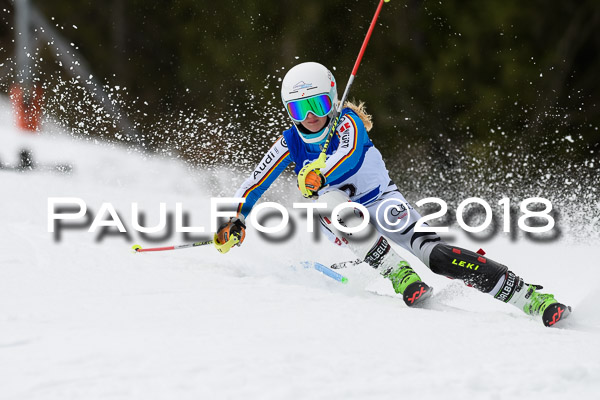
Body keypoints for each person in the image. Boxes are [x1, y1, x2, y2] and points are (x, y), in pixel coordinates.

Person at [214, 62, 570, 327]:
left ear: (333, 100)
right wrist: (236, 218)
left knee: (438, 256)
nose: (310, 117)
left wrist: (319, 172)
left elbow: (349, 154)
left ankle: (532, 298)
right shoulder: (289, 141)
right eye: (298, 109)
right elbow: (255, 181)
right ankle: (398, 273)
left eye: (318, 106)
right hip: (342, 222)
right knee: (326, 203)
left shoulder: (347, 124)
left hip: (385, 205)